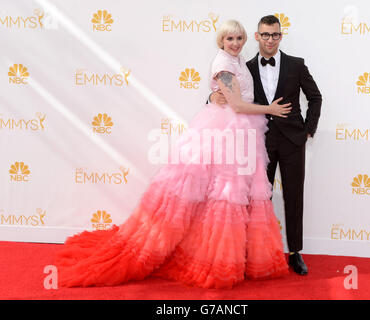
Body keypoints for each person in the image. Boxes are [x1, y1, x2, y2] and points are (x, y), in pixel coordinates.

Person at [54, 20, 291, 289]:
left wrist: (217, 98)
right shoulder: (223, 64)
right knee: (222, 194)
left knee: (225, 196)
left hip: (240, 132)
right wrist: (269, 110)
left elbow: (236, 97)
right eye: (230, 39)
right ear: (221, 41)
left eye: (238, 38)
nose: (235, 43)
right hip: (225, 131)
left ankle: (230, 256)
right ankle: (214, 260)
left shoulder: (239, 60)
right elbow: (237, 104)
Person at [210, 15, 322, 275]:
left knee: (294, 196)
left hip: (294, 140)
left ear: (280, 36)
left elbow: (315, 98)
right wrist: (211, 95)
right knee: (259, 199)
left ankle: (295, 253)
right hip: (260, 141)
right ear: (257, 36)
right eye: (265, 34)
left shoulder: (296, 64)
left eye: (275, 34)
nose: (270, 39)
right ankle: (255, 253)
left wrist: (308, 130)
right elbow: (232, 95)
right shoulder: (244, 66)